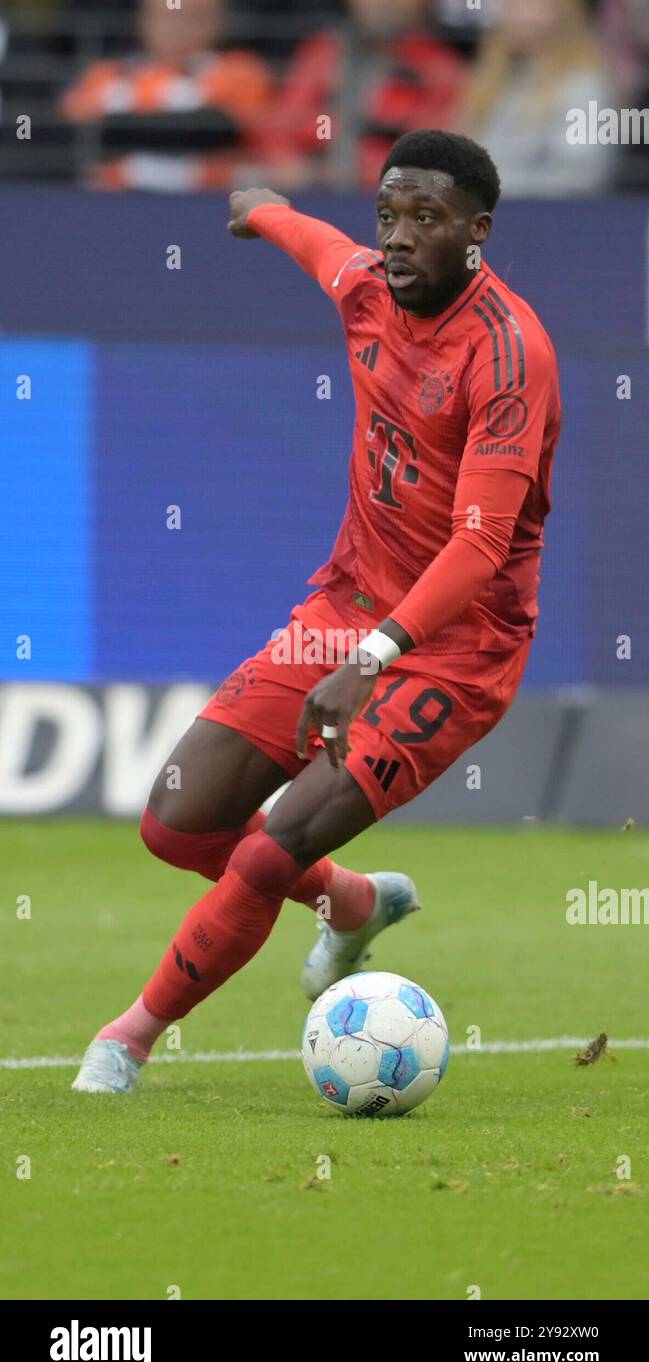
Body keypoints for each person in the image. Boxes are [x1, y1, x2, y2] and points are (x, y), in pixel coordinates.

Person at [72, 128, 562, 1095]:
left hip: (455, 651)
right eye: (388, 214)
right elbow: (312, 243)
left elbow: (477, 544)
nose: (398, 237)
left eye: (427, 218)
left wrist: (373, 656)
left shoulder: (510, 356)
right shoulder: (369, 289)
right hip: (343, 608)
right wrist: (260, 206)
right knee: (177, 825)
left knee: (269, 847)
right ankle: (350, 904)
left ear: (478, 232)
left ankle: (126, 1038)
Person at [244, 0, 466, 190]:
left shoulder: (441, 69)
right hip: (313, 202)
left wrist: (348, 172)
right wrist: (288, 162)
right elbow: (279, 129)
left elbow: (426, 161)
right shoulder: (323, 51)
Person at [59, 0, 272, 192]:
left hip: (211, 203)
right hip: (114, 202)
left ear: (216, 22)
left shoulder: (240, 72)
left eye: (190, 19)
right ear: (143, 21)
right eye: (166, 18)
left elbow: (220, 130)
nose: (176, 30)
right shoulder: (106, 74)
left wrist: (120, 126)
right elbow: (78, 134)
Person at [458, 0, 615, 196]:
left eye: (532, 4)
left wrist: (486, 185)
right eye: (511, 5)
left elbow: (580, 174)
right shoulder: (493, 83)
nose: (518, 15)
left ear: (563, 12)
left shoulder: (584, 86)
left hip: (549, 219)